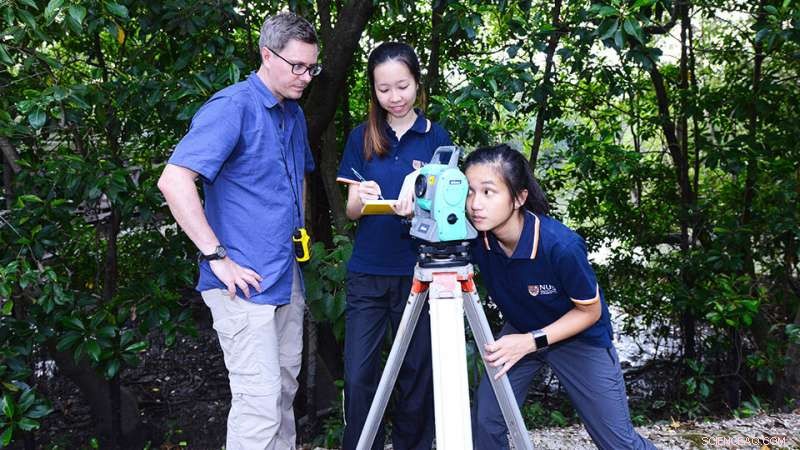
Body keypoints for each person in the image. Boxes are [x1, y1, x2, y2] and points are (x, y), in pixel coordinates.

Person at [157, 12, 320, 450]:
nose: (305, 77)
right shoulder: (233, 107)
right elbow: (173, 181)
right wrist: (217, 258)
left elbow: (298, 179)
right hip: (242, 286)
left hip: (285, 276)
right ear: (267, 55)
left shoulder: (293, 113)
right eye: (297, 66)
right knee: (259, 403)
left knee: (284, 393)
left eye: (312, 67)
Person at [464, 144, 656, 450]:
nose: (475, 204)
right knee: (486, 421)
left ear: (519, 198)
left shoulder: (561, 246)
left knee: (617, 443)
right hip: (521, 330)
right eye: (470, 191)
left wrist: (531, 341)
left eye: (488, 192)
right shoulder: (476, 237)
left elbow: (589, 312)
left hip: (577, 338)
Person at [335, 42, 453, 450]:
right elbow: (351, 212)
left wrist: (419, 200)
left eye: (402, 86)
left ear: (417, 84)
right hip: (367, 273)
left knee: (417, 371)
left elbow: (446, 213)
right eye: (384, 89)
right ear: (374, 90)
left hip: (418, 272)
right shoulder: (361, 137)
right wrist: (363, 196)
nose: (394, 97)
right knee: (359, 375)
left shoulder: (436, 137)